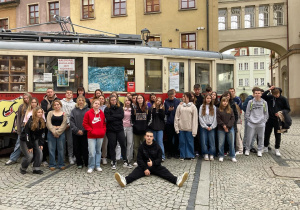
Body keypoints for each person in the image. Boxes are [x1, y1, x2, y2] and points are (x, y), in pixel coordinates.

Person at [114, 131, 189, 188]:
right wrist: (145, 169)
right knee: (135, 173)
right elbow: (139, 160)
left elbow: (159, 159)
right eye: (147, 136)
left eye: (150, 136)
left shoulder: (157, 147)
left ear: (153, 138)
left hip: (155, 166)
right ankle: (125, 180)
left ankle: (177, 180)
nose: (149, 138)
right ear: (145, 137)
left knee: (165, 172)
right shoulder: (141, 147)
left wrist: (153, 163)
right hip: (144, 167)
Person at [104, 95, 132, 170]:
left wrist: (113, 116)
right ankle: (113, 161)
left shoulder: (120, 108)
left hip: (119, 129)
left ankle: (125, 161)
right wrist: (116, 116)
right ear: (109, 101)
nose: (114, 101)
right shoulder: (107, 109)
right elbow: (108, 119)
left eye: (115, 100)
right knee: (112, 145)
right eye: (112, 100)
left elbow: (121, 116)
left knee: (123, 144)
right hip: (111, 130)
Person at [262, 86, 290, 156]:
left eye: (277, 94)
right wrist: (269, 90)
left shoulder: (283, 99)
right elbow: (263, 96)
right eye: (275, 95)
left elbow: (288, 109)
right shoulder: (270, 98)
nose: (276, 96)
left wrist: (281, 112)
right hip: (269, 119)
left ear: (279, 92)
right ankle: (265, 146)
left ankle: (277, 148)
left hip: (278, 120)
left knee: (278, 134)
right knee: (267, 133)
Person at [6, 93, 32, 165]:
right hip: (23, 127)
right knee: (19, 144)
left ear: (30, 98)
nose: (26, 99)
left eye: (27, 98)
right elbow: (18, 118)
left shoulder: (34, 105)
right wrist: (18, 128)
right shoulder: (21, 107)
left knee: (33, 144)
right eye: (24, 98)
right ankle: (13, 159)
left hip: (32, 128)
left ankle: (32, 159)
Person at [19, 107, 45, 175]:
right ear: (35, 113)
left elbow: (42, 134)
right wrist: (30, 146)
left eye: (41, 112)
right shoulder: (30, 121)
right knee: (30, 156)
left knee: (40, 152)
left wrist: (41, 143)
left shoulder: (42, 121)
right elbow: (27, 135)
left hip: (35, 139)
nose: (40, 114)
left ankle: (36, 168)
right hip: (25, 140)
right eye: (38, 112)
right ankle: (23, 168)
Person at [83, 99, 106, 173]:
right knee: (92, 152)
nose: (97, 105)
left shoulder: (102, 113)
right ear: (92, 104)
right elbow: (85, 124)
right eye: (95, 103)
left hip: (100, 135)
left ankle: (97, 165)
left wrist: (103, 130)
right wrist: (91, 130)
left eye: (98, 104)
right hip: (91, 135)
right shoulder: (88, 113)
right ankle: (91, 166)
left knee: (98, 151)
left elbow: (104, 123)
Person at [244, 87, 269, 157]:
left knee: (261, 137)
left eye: (259, 93)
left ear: (261, 94)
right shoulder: (250, 102)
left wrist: (264, 121)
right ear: (254, 94)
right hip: (251, 123)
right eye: (256, 93)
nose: (257, 94)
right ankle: (247, 149)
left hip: (261, 123)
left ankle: (260, 150)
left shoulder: (264, 102)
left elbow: (266, 113)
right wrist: (249, 120)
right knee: (249, 137)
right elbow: (247, 112)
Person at [174, 92, 198, 160]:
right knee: (182, 142)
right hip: (181, 127)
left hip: (189, 128)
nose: (183, 98)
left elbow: (195, 119)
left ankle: (190, 155)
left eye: (184, 96)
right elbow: (176, 117)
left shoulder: (193, 107)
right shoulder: (180, 106)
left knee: (190, 142)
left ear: (188, 97)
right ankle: (182, 155)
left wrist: (194, 130)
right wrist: (176, 128)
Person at [46, 100, 67, 170]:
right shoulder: (50, 113)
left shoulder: (64, 114)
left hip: (61, 133)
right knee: (51, 149)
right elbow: (48, 123)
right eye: (55, 105)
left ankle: (61, 164)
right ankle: (52, 164)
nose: (56, 106)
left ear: (60, 105)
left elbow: (64, 124)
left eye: (58, 104)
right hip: (51, 133)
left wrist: (58, 132)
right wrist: (54, 132)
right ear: (53, 106)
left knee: (61, 149)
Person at [41, 88, 59, 166]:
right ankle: (44, 159)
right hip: (45, 124)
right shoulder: (43, 102)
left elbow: (59, 110)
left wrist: (48, 112)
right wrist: (51, 111)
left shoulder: (58, 100)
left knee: (57, 141)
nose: (49, 93)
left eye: (51, 92)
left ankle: (56, 158)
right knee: (45, 141)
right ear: (46, 93)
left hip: (56, 123)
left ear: (53, 92)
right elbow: (43, 113)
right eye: (48, 92)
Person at [70, 96, 89, 169]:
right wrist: (77, 130)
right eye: (79, 100)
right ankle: (79, 162)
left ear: (84, 101)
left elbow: (89, 121)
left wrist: (83, 130)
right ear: (77, 101)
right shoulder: (74, 111)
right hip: (76, 133)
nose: (80, 101)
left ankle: (86, 162)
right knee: (77, 148)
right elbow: (71, 121)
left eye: (82, 100)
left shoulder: (88, 110)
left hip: (85, 133)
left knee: (85, 148)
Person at [217, 97, 237, 162]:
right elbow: (218, 119)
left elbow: (232, 118)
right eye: (223, 101)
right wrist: (224, 126)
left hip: (230, 128)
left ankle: (232, 156)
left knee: (231, 143)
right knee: (221, 143)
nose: (225, 103)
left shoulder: (230, 110)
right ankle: (221, 155)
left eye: (226, 101)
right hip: (221, 128)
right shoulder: (218, 110)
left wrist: (228, 127)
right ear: (221, 102)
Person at [131, 94, 149, 166]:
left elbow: (150, 118)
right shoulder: (134, 108)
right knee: (136, 146)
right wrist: (135, 126)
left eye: (141, 98)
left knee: (145, 146)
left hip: (145, 131)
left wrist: (146, 127)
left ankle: (145, 159)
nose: (139, 100)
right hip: (136, 131)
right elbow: (132, 119)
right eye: (138, 98)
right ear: (136, 100)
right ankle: (136, 160)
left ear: (143, 99)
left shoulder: (147, 107)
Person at [199, 94, 217, 161]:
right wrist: (205, 126)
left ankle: (211, 153)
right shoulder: (202, 107)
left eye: (210, 98)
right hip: (204, 126)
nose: (208, 99)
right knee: (204, 140)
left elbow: (215, 118)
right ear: (205, 99)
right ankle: (205, 153)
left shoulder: (214, 107)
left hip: (211, 125)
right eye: (207, 98)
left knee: (211, 140)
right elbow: (200, 117)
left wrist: (212, 126)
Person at [164, 89, 180, 158]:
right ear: (168, 96)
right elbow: (165, 113)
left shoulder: (177, 101)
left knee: (176, 138)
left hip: (176, 122)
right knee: (169, 138)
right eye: (170, 97)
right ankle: (170, 153)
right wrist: (168, 110)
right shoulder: (166, 102)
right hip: (169, 123)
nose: (172, 98)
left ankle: (175, 152)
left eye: (173, 96)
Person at [61, 90, 76, 165]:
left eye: (70, 93)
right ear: (65, 94)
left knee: (70, 142)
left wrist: (69, 124)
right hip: (62, 124)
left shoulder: (74, 104)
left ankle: (70, 156)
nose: (69, 94)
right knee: (62, 142)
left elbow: (73, 116)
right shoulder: (61, 102)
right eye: (67, 93)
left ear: (72, 95)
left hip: (70, 125)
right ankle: (62, 157)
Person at [193, 84, 204, 157]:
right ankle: (196, 150)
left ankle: (201, 150)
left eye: (198, 90)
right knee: (195, 135)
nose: (197, 91)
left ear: (200, 90)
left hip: (201, 117)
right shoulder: (192, 97)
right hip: (194, 117)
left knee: (201, 135)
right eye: (196, 90)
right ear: (194, 89)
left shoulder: (202, 97)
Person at [123, 96, 134, 163]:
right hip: (123, 127)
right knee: (122, 143)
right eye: (126, 100)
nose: (127, 102)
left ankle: (129, 157)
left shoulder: (132, 109)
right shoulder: (122, 109)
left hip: (130, 127)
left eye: (129, 100)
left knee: (130, 142)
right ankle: (123, 157)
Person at [99, 95, 108, 165]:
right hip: (96, 127)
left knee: (104, 143)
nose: (101, 100)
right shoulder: (95, 107)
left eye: (102, 99)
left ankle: (104, 157)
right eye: (100, 98)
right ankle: (98, 157)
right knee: (98, 144)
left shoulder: (106, 108)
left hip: (104, 127)